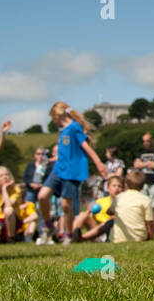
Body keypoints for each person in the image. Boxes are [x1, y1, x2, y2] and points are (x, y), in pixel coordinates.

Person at [37, 101, 107, 244]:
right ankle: (48, 226)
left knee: (65, 205)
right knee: (42, 196)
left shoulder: (74, 127)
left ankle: (68, 235)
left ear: (57, 115)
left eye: (53, 117)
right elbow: (66, 151)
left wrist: (98, 162)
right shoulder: (63, 131)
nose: (53, 121)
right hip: (58, 169)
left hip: (72, 171)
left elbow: (85, 146)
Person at [111, 170, 154, 244]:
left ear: (126, 185)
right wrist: (151, 237)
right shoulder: (145, 200)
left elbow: (109, 212)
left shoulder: (119, 197)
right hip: (139, 237)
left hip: (117, 239)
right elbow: (149, 223)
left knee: (109, 223)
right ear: (142, 186)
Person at [132, 132, 154, 222]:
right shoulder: (140, 153)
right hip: (143, 182)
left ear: (152, 141)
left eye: (148, 141)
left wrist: (143, 164)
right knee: (143, 204)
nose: (146, 143)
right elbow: (136, 165)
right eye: (144, 141)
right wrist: (148, 164)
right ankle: (144, 223)